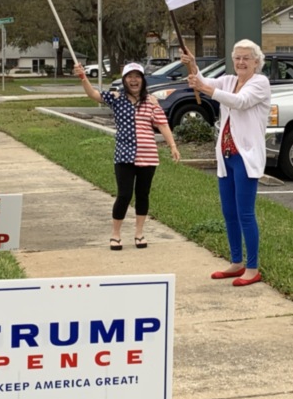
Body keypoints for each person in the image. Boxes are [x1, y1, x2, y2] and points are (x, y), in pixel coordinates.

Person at [181, 41, 271, 286]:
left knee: (245, 213)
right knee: (229, 213)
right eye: (237, 58)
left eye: (246, 58)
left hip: (246, 156)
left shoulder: (260, 83)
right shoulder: (229, 80)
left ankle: (252, 268)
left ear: (256, 61)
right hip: (226, 155)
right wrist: (193, 65)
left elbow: (239, 102)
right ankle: (236, 262)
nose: (241, 62)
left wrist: (205, 88)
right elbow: (205, 82)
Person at [73, 61, 180, 250]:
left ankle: (139, 234)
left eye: (137, 77)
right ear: (124, 80)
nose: (134, 80)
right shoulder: (117, 98)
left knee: (142, 195)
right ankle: (115, 235)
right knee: (124, 195)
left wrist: (172, 146)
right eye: (130, 77)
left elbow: (162, 124)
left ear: (142, 80)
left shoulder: (152, 101)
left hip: (148, 155)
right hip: (124, 155)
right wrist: (83, 77)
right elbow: (94, 95)